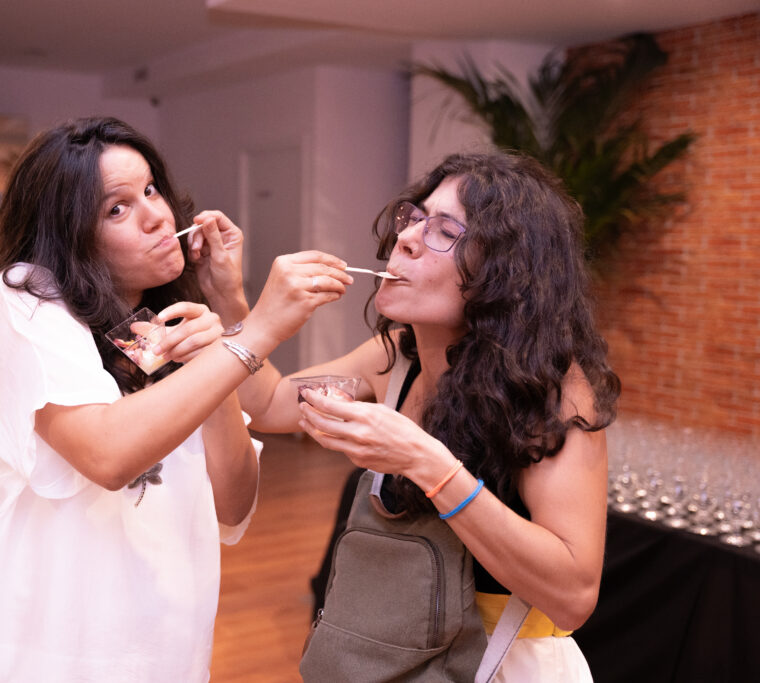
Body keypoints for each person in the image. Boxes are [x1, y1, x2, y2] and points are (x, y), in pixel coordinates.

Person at [0, 116, 350, 682]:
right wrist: (260, 331)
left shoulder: (180, 325)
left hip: (160, 646)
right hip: (37, 649)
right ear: (70, 236)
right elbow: (108, 456)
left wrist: (221, 340)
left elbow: (233, 508)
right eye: (116, 209)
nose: (156, 216)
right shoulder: (24, 300)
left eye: (150, 190)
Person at [213, 151, 621, 680]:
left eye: (445, 231)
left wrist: (428, 463)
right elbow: (268, 403)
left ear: (504, 274)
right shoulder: (395, 357)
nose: (404, 238)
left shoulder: (554, 392)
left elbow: (573, 596)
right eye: (416, 217)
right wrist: (229, 296)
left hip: (503, 666)